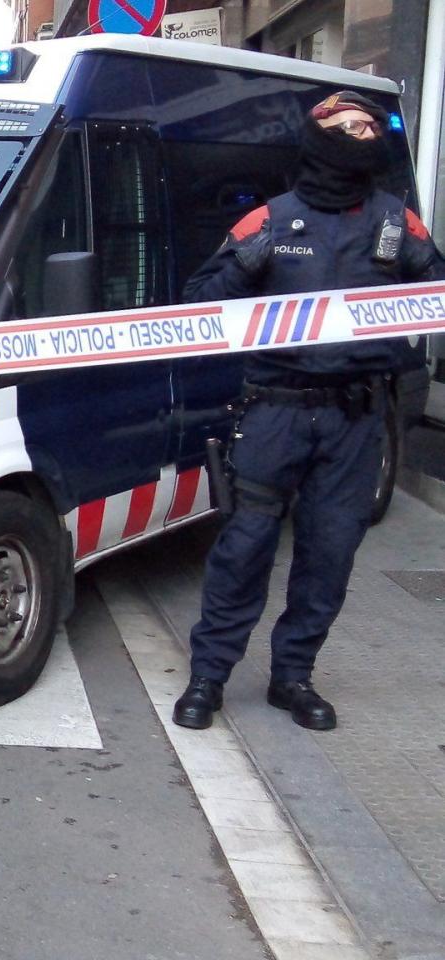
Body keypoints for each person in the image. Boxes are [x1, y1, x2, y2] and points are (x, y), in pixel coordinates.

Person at [173, 91, 445, 731]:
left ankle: (292, 677)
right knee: (244, 549)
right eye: (348, 126)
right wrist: (246, 265)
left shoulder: (394, 222)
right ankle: (208, 679)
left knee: (330, 554)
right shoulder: (268, 220)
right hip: (275, 414)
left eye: (370, 126)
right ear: (318, 137)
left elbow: (436, 292)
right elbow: (199, 305)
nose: (363, 134)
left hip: (356, 420)